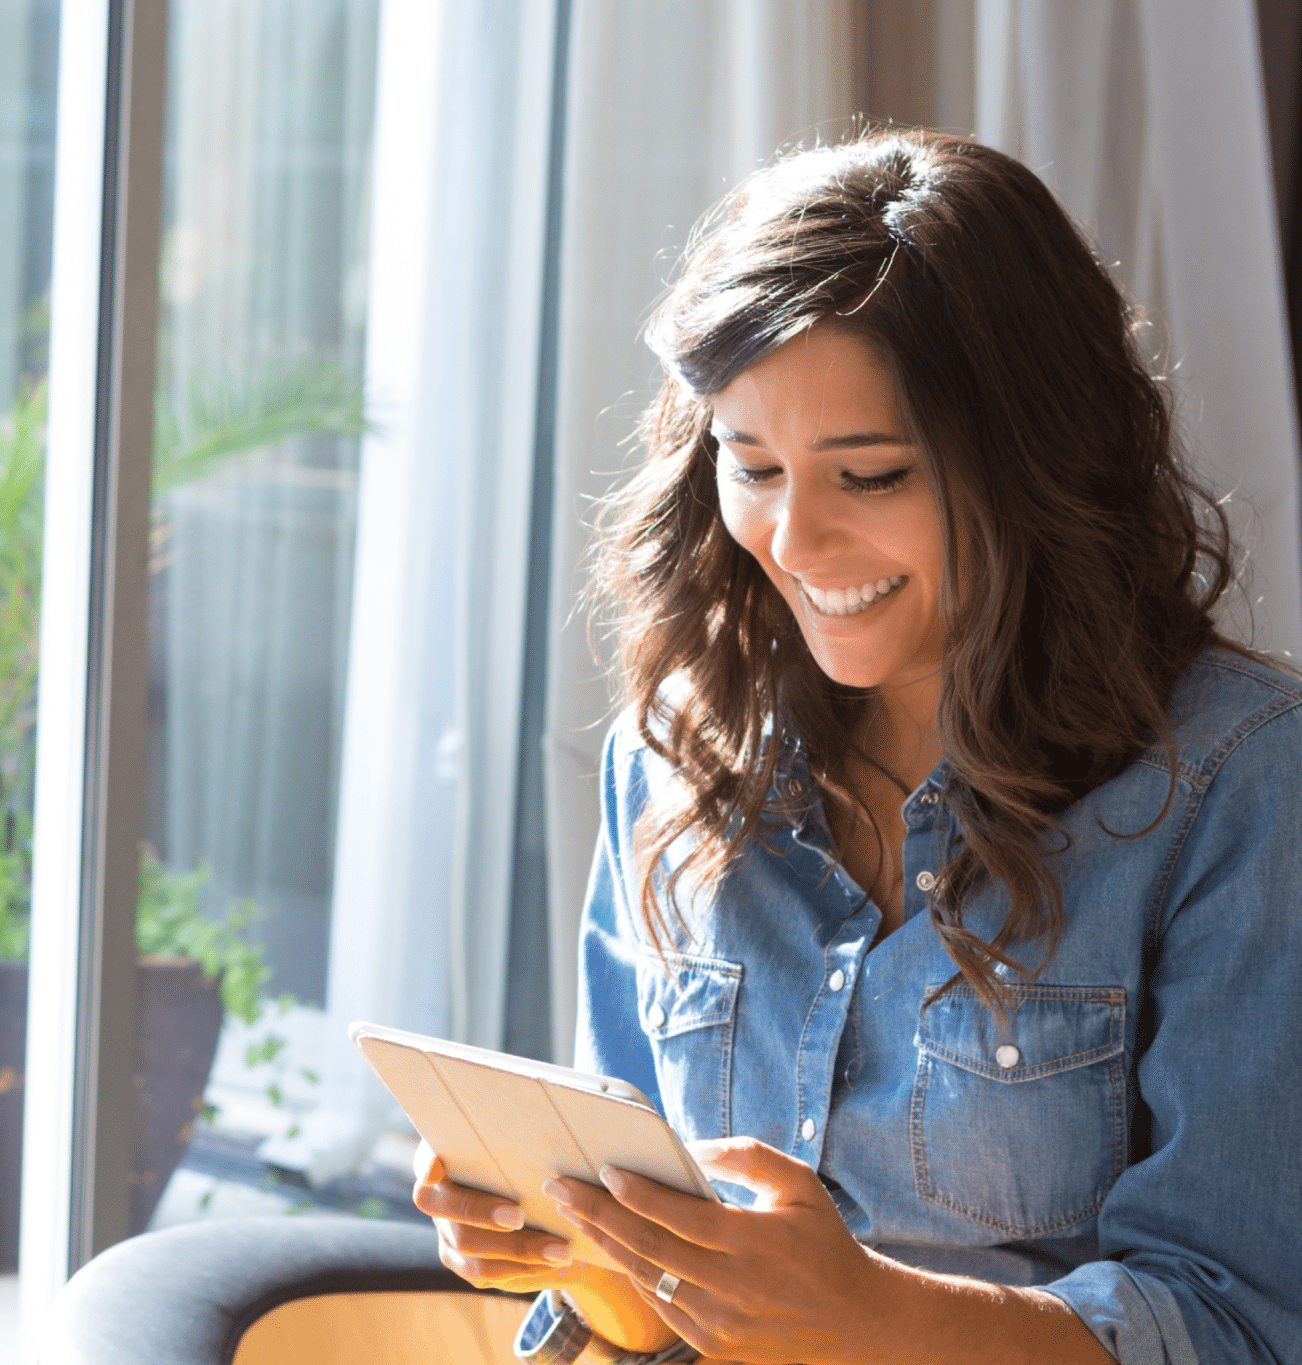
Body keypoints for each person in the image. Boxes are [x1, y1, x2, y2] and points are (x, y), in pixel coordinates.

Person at [412, 128, 1302, 1364]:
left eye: (870, 474)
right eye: (750, 463)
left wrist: (872, 1317)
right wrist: (580, 1252)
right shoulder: (672, 760)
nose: (792, 540)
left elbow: (1239, 1322)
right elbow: (656, 1302)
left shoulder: (1237, 782)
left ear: (1033, 460)